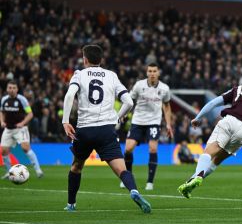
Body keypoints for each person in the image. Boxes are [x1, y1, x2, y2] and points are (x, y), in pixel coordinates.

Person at [62, 44, 151, 213]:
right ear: (101, 60)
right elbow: (129, 102)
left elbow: (69, 95)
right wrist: (117, 117)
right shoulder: (111, 76)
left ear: (84, 59)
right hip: (106, 130)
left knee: (76, 167)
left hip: (85, 130)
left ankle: (71, 204)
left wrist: (65, 121)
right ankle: (134, 190)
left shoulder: (79, 74)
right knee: (121, 169)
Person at [177, 74, 242, 198]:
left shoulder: (237, 89)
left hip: (230, 121)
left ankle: (198, 176)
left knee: (209, 152)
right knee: (217, 160)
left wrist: (198, 117)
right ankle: (191, 182)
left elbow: (213, 103)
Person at [120, 62, 173, 191]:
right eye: (150, 71)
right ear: (147, 73)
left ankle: (150, 182)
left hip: (154, 122)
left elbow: (166, 106)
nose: (152, 73)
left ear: (158, 73)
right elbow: (129, 101)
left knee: (153, 148)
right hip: (138, 121)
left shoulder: (165, 88)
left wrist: (169, 124)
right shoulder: (139, 85)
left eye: (154, 71)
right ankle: (128, 177)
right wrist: (123, 114)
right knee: (128, 148)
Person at [1, 80, 43, 179]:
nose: (11, 90)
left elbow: (30, 114)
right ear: (7, 89)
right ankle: (9, 172)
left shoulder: (22, 100)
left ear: (17, 89)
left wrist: (22, 123)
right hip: (8, 129)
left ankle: (38, 170)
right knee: (3, 151)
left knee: (25, 148)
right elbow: (2, 112)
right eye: (10, 88)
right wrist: (2, 121)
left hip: (21, 129)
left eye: (13, 88)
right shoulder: (4, 100)